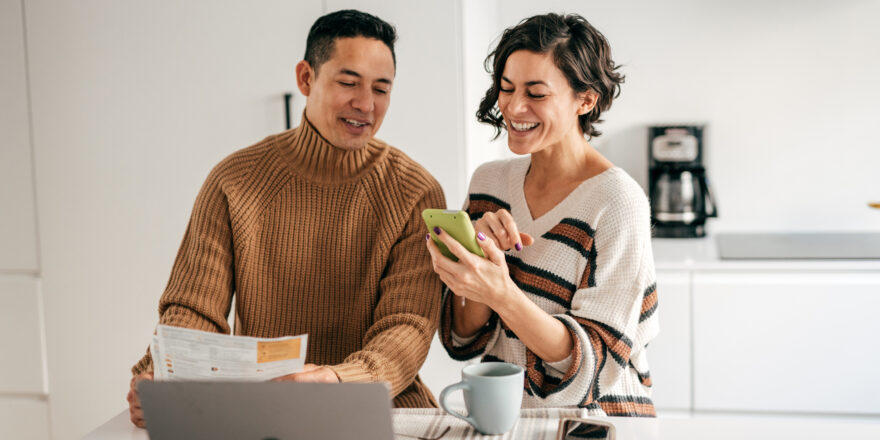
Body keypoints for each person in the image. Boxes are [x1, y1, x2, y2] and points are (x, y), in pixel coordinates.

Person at [127, 9, 446, 427]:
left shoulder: (415, 193)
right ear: (306, 78)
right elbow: (193, 310)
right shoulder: (234, 180)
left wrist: (336, 380)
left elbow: (407, 328)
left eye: (381, 89)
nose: (366, 104)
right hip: (265, 414)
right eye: (348, 82)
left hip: (383, 412)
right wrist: (161, 373)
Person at [426, 13, 658, 416]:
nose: (514, 107)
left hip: (597, 421)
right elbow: (461, 340)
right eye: (506, 88)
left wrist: (502, 292)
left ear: (585, 99)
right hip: (506, 418)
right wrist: (479, 263)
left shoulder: (618, 201)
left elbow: (592, 369)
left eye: (536, 93)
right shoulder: (489, 182)